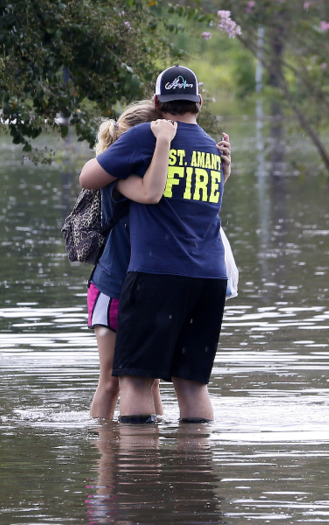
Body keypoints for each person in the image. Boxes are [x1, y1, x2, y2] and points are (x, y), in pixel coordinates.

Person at [80, 65, 232, 424]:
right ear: (198, 101)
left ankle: (138, 477)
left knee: (134, 382)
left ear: (157, 102)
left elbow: (89, 178)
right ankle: (192, 474)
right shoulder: (212, 149)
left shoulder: (148, 135)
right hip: (210, 279)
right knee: (193, 385)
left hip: (158, 275)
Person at [87, 100, 179, 419]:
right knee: (112, 381)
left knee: (150, 381)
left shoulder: (160, 173)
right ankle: (106, 462)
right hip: (112, 289)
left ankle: (147, 457)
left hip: (144, 290)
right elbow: (150, 193)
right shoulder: (121, 178)